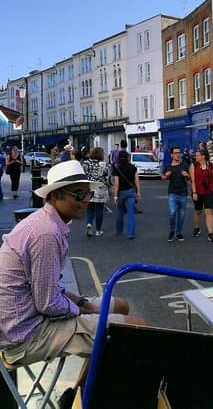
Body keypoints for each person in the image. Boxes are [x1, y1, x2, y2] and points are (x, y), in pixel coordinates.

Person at [0, 160, 145, 404]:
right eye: (79, 194)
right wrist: (82, 310)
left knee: (119, 306)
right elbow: (48, 304)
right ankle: (89, 398)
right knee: (136, 328)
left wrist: (84, 303)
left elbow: (51, 290)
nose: (86, 199)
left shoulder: (46, 224)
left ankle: (77, 393)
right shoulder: (45, 234)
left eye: (87, 192)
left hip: (27, 321)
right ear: (56, 195)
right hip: (26, 335)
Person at [161, 146, 190, 242]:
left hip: (183, 193)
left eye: (179, 152)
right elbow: (162, 177)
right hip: (172, 193)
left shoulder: (184, 165)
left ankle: (179, 232)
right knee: (172, 213)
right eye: (176, 153)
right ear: (172, 155)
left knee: (181, 214)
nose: (178, 154)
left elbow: (191, 176)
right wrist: (166, 176)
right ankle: (172, 230)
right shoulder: (168, 166)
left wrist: (187, 175)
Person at [190, 149, 213, 242]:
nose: (196, 157)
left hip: (208, 192)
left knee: (208, 211)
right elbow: (192, 180)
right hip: (197, 192)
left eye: (198, 155)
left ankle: (210, 233)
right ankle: (197, 228)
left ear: (203, 156)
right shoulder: (193, 166)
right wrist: (194, 192)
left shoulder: (211, 166)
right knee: (198, 211)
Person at [113, 150, 141, 239]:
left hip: (121, 193)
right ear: (128, 158)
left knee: (120, 211)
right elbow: (136, 180)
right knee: (130, 213)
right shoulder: (133, 168)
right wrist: (138, 192)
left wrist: (115, 196)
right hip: (131, 191)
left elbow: (116, 184)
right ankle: (130, 234)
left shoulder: (117, 169)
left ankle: (119, 230)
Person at [83, 147, 110, 237]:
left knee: (90, 208)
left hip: (89, 187)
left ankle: (89, 224)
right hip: (100, 188)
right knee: (99, 209)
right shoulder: (103, 164)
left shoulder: (86, 163)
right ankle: (98, 230)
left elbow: (83, 174)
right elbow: (107, 175)